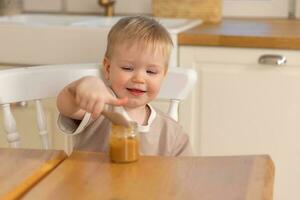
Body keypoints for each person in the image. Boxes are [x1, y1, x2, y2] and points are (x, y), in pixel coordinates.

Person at [56, 15, 192, 156]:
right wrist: (84, 85)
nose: (139, 79)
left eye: (151, 71)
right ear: (108, 68)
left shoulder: (171, 132)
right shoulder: (97, 108)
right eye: (128, 68)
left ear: (163, 76)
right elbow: (66, 105)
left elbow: (186, 171)